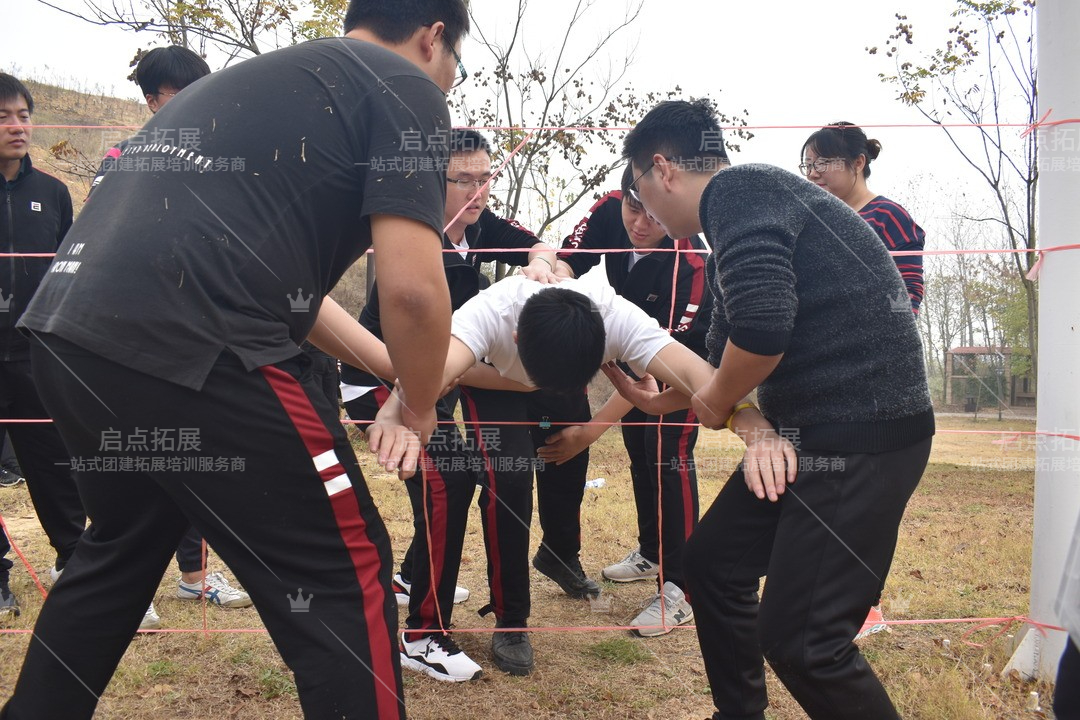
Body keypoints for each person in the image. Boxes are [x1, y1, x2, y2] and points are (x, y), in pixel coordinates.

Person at [3, 1, 468, 717]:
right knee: (345, 574)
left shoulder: (268, 81)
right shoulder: (404, 87)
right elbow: (411, 291)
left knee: (118, 554)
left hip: (71, 334)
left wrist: (391, 370)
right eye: (454, 69)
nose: (448, 85)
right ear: (433, 35)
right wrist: (424, 399)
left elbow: (285, 287)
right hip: (196, 346)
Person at [610, 98, 934, 720]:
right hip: (810, 433)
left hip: (863, 433)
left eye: (640, 191)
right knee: (712, 565)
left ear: (663, 168)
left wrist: (715, 401)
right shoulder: (734, 217)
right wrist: (667, 398)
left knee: (805, 644)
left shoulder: (740, 192)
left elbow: (762, 334)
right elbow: (721, 353)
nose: (644, 209)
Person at [339, 127, 558, 681]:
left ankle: (414, 575)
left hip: (430, 383)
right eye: (464, 179)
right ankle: (423, 635)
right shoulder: (414, 239)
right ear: (435, 182)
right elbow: (428, 357)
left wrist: (540, 262)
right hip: (377, 383)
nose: (478, 190)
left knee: (450, 480)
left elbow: (540, 244)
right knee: (449, 482)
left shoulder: (479, 228)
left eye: (486, 178)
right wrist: (519, 385)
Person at [87, 45, 251, 631]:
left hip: (198, 336)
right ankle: (123, 590)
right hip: (128, 337)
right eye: (170, 95)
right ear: (153, 100)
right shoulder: (121, 157)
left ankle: (193, 573)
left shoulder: (221, 156)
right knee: (126, 468)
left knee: (191, 456)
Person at [552, 164, 712, 636]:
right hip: (638, 356)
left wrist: (588, 432)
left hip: (685, 364)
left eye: (655, 217)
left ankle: (682, 587)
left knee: (667, 456)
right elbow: (569, 259)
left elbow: (654, 369)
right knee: (640, 454)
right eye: (633, 207)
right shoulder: (608, 209)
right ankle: (651, 551)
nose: (640, 224)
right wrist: (552, 275)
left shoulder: (692, 265)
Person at [0, 73, 86, 618]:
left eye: (24, 115)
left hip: (35, 355)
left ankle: (75, 565)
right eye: (4, 116)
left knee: (55, 466)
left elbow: (71, 274)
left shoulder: (52, 193)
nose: (17, 126)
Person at [800, 121, 925, 313]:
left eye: (823, 163)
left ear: (858, 163)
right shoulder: (808, 221)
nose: (812, 174)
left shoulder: (887, 216)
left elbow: (906, 295)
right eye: (808, 166)